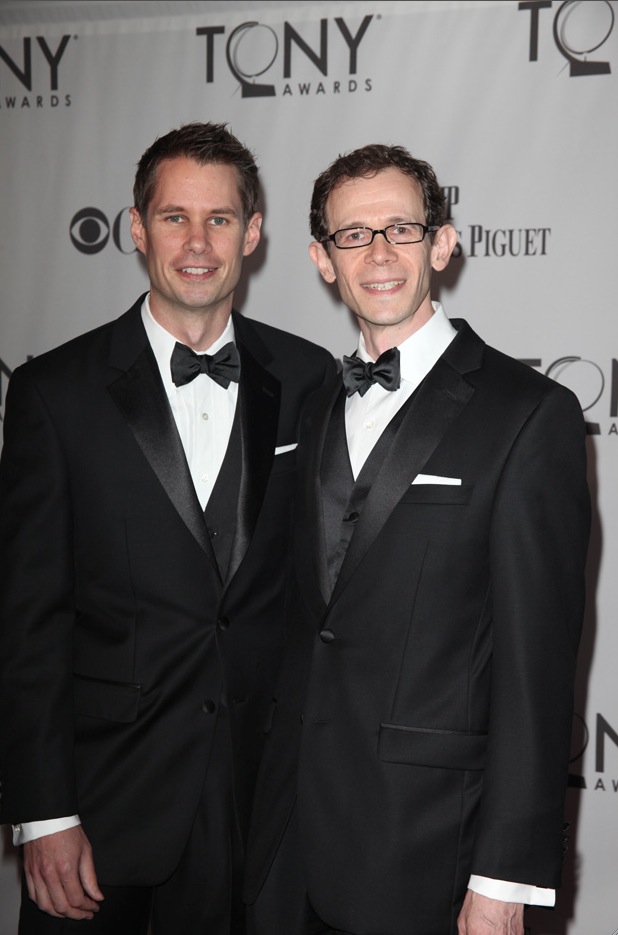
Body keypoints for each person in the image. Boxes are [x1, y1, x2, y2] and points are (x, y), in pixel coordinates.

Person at [242, 144, 591, 935]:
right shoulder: (309, 404)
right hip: (287, 843)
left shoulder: (529, 415)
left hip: (431, 848)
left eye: (400, 227)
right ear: (323, 260)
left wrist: (506, 872)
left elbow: (536, 671)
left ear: (442, 241)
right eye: (353, 236)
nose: (380, 254)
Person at [0, 121, 335, 935]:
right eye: (174, 216)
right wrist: (43, 815)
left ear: (252, 234)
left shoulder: (308, 377)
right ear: (136, 226)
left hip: (258, 804)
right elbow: (26, 620)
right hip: (102, 809)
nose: (197, 241)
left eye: (220, 218)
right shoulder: (55, 391)